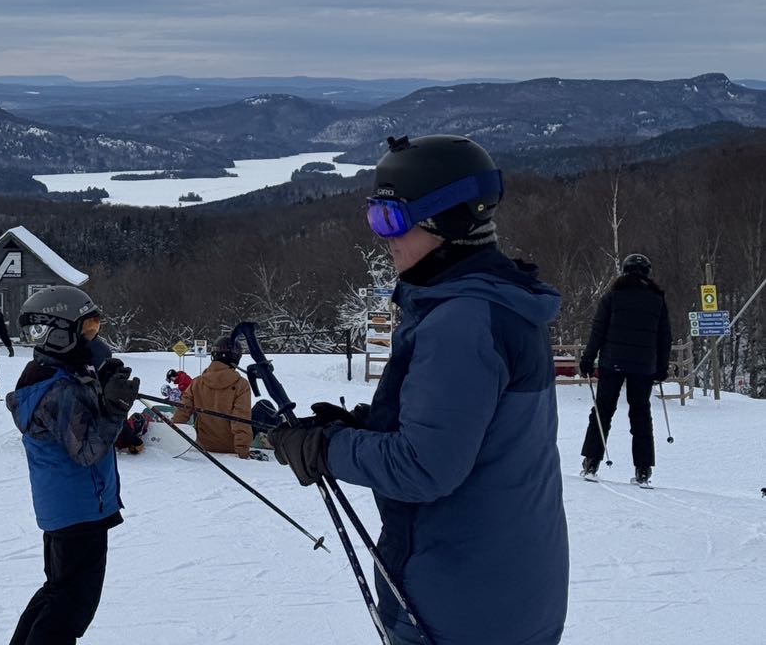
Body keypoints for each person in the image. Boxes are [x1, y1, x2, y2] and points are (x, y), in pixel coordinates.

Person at [265, 134, 568, 645]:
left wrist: (325, 449)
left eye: (391, 219)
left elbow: (424, 467)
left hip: (458, 605)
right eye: (375, 217)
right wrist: (367, 427)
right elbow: (472, 430)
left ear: (446, 222)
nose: (383, 237)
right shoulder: (497, 303)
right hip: (507, 590)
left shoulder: (461, 322)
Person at [5, 286, 139, 645]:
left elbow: (83, 405)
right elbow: (88, 450)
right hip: (79, 511)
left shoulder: (54, 372)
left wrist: (103, 377)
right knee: (72, 607)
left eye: (96, 327)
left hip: (68, 508)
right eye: (87, 329)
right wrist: (114, 409)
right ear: (59, 334)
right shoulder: (58, 391)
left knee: (58, 592)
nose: (94, 337)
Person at [579, 252, 672, 487]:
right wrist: (661, 367)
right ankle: (643, 469)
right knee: (641, 414)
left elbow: (598, 331)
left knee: (603, 411)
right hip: (643, 366)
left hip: (613, 362)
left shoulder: (612, 297)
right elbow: (664, 337)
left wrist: (588, 359)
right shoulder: (657, 300)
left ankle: (591, 461)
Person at [171, 339, 253, 459]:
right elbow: (241, 419)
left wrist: (171, 440)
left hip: (203, 445)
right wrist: (243, 452)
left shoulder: (197, 382)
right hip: (231, 447)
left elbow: (181, 413)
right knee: (264, 406)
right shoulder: (241, 384)